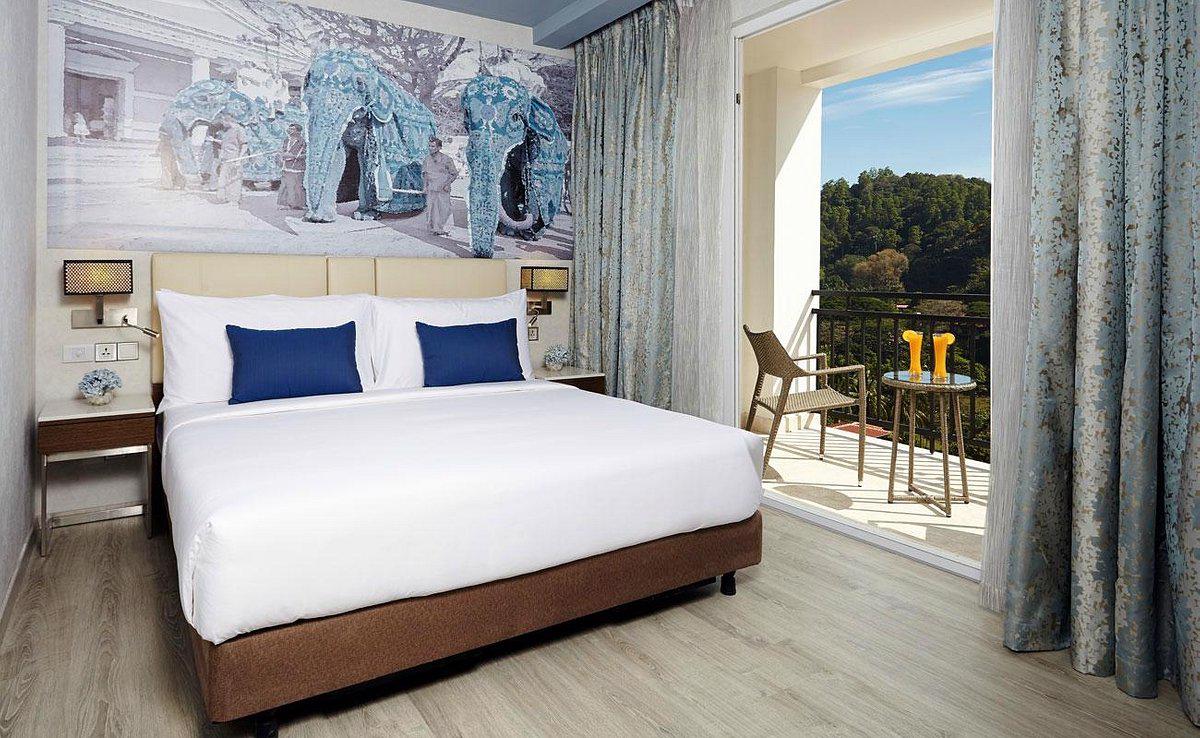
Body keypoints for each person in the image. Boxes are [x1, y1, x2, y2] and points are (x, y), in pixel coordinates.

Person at [422, 137, 458, 236]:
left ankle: (444, 228)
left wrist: (447, 184)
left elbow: (454, 174)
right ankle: (434, 229)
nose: (430, 148)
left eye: (433, 146)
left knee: (444, 209)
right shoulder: (427, 159)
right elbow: (425, 174)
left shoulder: (447, 159)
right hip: (431, 187)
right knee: (431, 209)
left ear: (439, 148)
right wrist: (425, 186)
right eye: (429, 146)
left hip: (443, 188)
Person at [215, 114, 247, 206]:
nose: (222, 124)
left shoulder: (239, 129)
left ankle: (234, 200)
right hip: (225, 158)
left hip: (234, 158)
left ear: (228, 121)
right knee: (224, 179)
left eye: (223, 122)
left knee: (234, 180)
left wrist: (239, 159)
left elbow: (244, 145)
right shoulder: (227, 131)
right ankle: (226, 198)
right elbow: (226, 143)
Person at [277, 123, 306, 210]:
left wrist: (294, 156)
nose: (289, 131)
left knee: (297, 186)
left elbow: (306, 154)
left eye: (292, 129)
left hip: (297, 167)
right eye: (289, 129)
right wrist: (282, 156)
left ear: (298, 131)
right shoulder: (287, 140)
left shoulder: (302, 142)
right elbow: (283, 150)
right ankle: (285, 204)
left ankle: (298, 204)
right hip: (286, 166)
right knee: (285, 185)